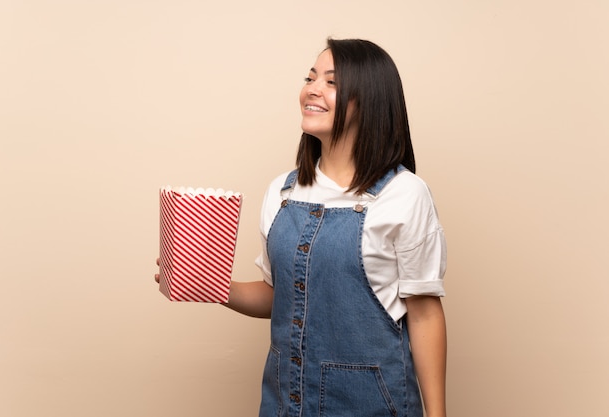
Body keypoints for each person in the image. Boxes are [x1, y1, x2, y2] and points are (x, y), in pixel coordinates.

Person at [156, 38, 447, 417]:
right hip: (285, 403)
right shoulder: (282, 191)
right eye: (310, 78)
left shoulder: (404, 194)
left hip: (373, 405)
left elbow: (424, 313)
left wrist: (437, 414)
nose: (312, 89)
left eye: (332, 82)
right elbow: (279, 296)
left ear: (370, 99)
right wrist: (208, 285)